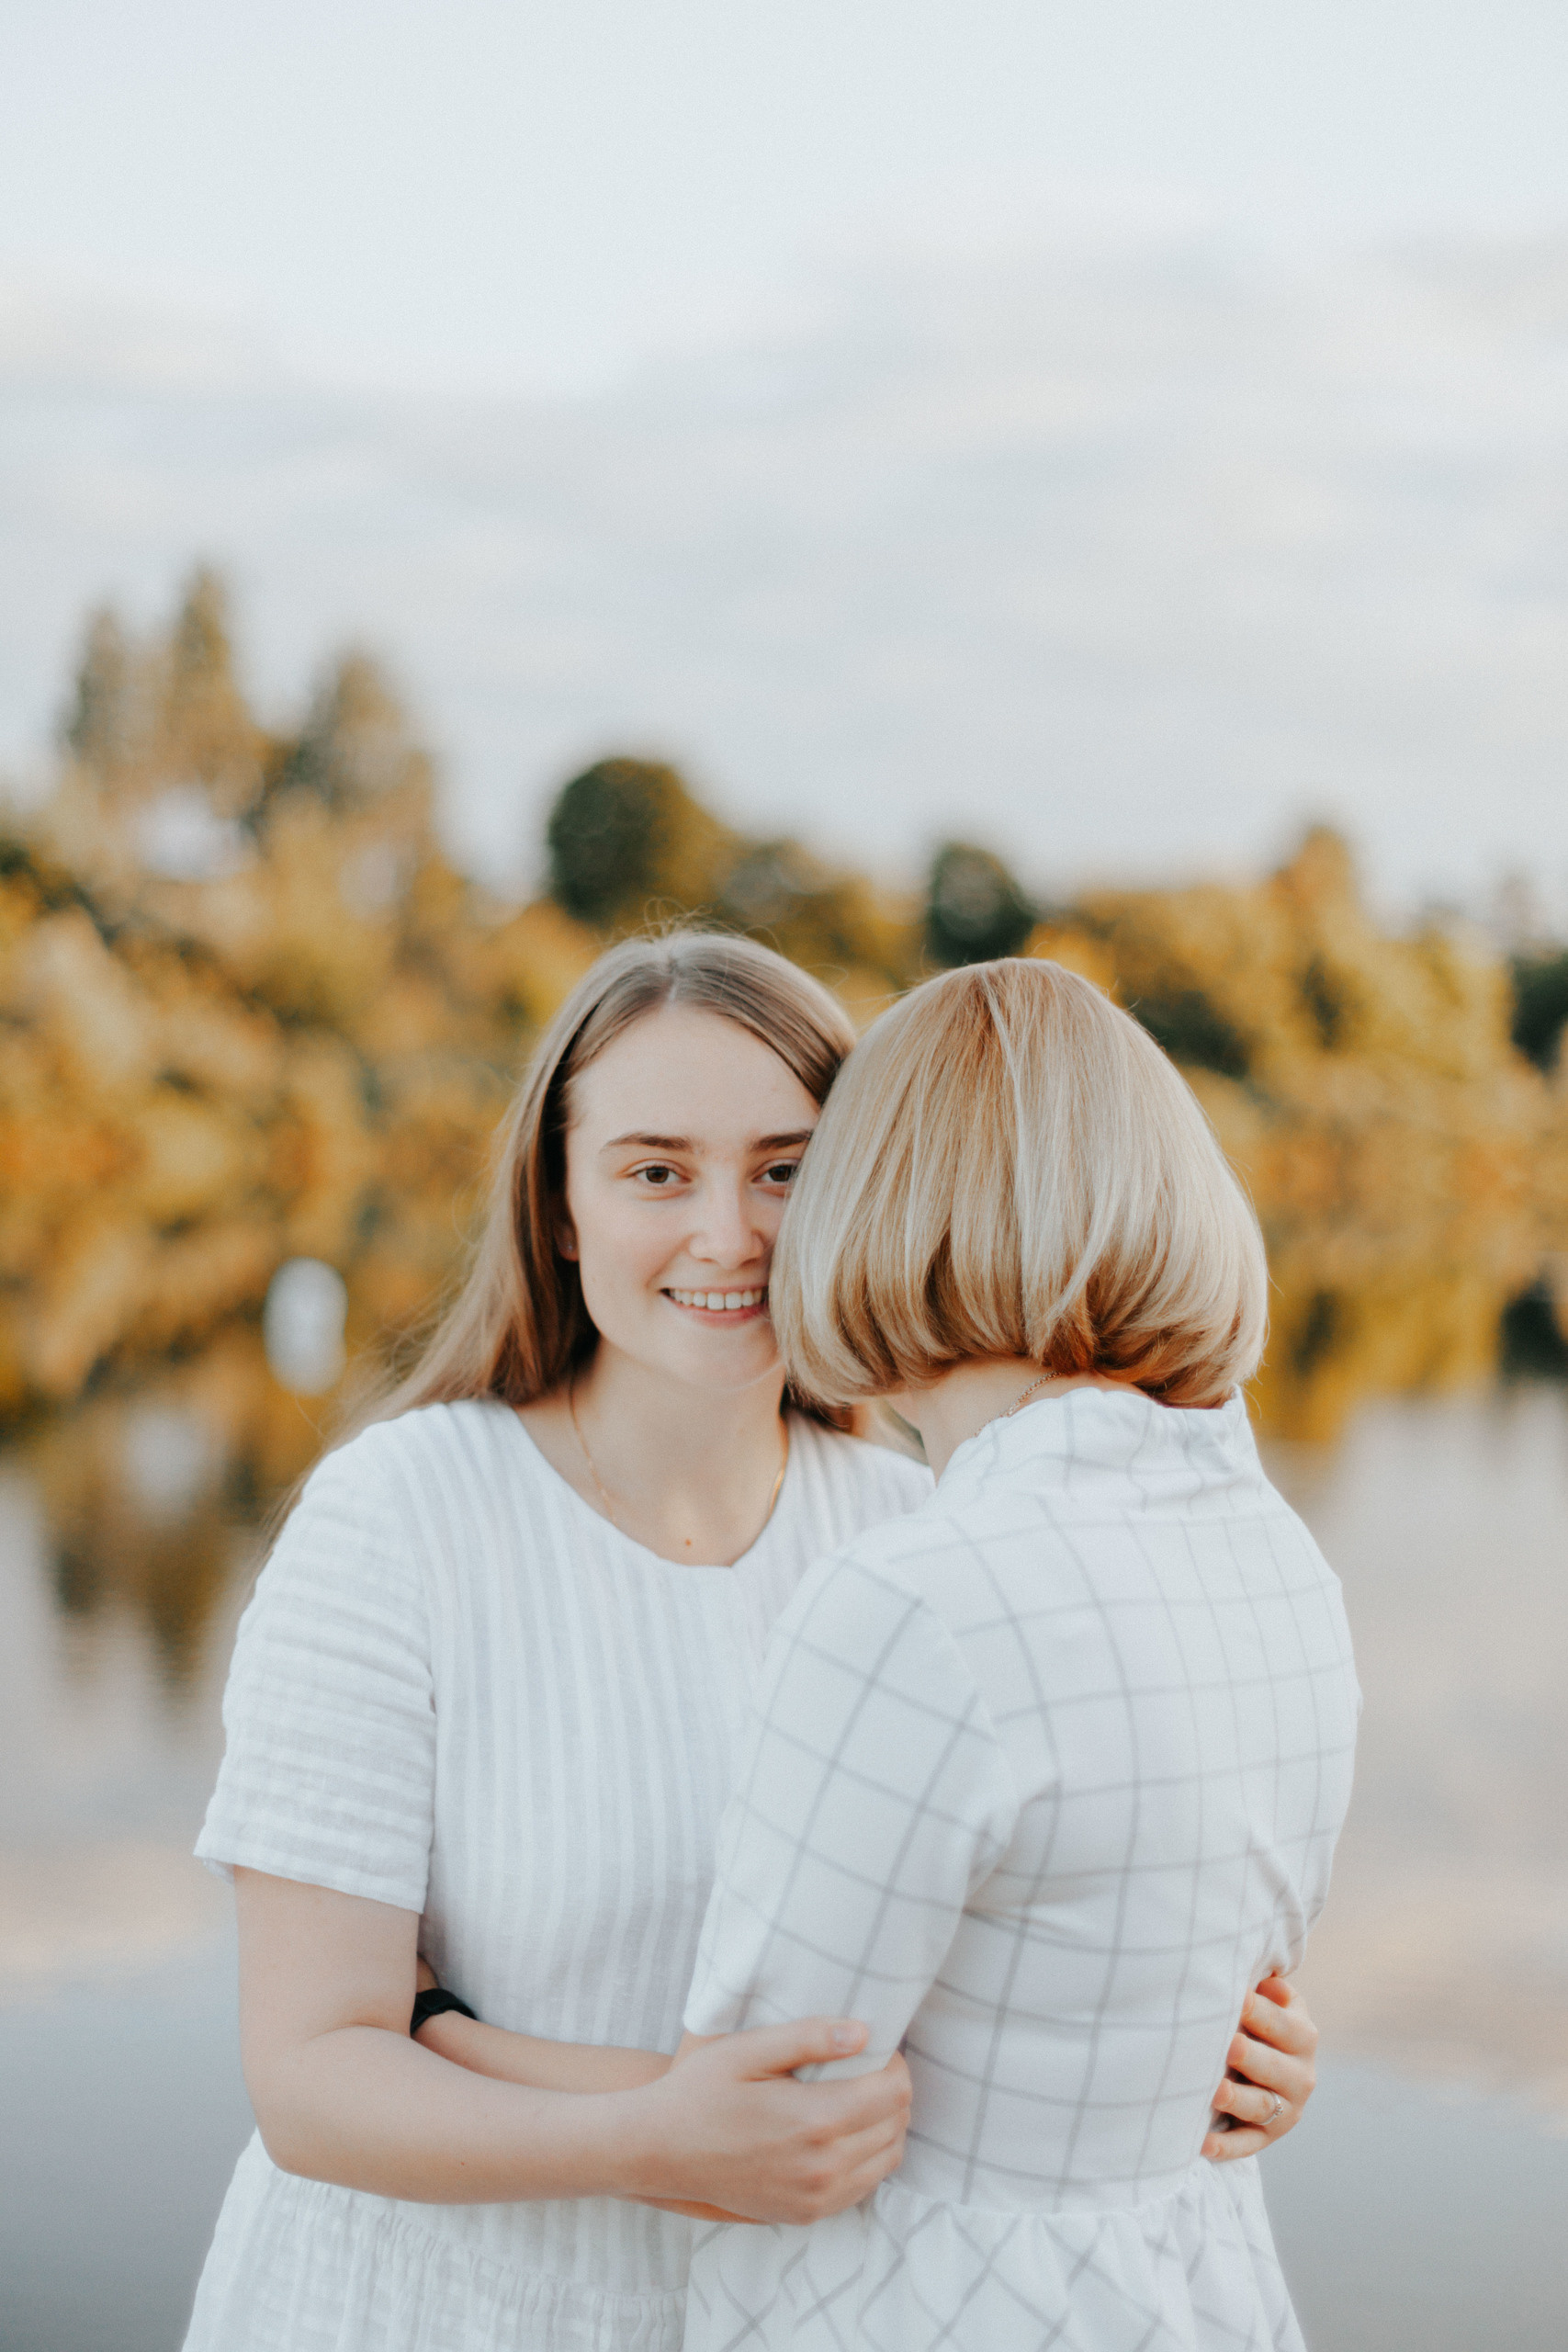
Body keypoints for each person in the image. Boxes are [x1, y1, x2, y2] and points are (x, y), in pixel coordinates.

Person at [183, 933, 1319, 2352]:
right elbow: (310, 2080)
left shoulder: (927, 1541)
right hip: (428, 2313)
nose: (728, 1234)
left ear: (865, 1191)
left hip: (800, 2314)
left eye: (786, 1170)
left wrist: (1206, 2059)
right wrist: (649, 2136)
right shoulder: (398, 1519)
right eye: (657, 1172)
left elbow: (1027, 1975)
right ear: (560, 1207)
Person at [673, 956, 1360, 2349]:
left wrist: (442, 2030)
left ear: (882, 1204)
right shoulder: (1285, 1567)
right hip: (1198, 2293)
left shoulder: (915, 1602)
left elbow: (758, 2113)